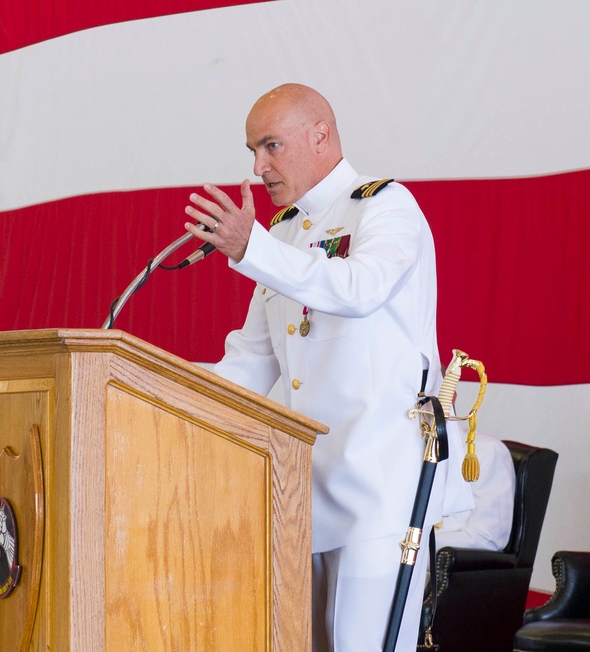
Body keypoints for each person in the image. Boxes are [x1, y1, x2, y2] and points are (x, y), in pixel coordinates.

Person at [184, 83, 469, 650]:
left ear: (321, 136)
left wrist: (253, 251)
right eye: (252, 151)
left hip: (378, 490)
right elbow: (252, 361)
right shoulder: (286, 232)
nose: (259, 166)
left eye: (270, 146)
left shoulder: (386, 206)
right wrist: (159, 395)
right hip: (302, 491)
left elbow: (361, 288)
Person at [436, 434, 516, 551]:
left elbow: (487, 539)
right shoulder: (406, 449)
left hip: (439, 563)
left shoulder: (487, 450)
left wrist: (410, 545)